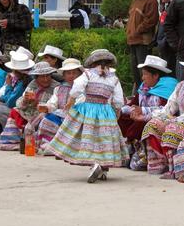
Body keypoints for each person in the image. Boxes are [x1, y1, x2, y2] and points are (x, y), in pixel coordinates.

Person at [46, 49, 128, 183]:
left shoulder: (88, 74)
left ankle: (95, 164)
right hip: (105, 111)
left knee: (88, 138)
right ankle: (102, 168)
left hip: (87, 108)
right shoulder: (114, 79)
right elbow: (118, 100)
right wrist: (116, 111)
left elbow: (77, 89)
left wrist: (70, 102)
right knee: (104, 139)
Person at [141, 53, 184, 176]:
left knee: (172, 130)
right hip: (177, 120)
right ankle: (158, 163)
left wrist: (169, 121)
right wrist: (152, 116)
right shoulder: (181, 85)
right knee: (152, 125)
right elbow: (169, 107)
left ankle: (173, 168)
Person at [118, 55, 178, 170]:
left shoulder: (167, 89)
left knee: (140, 123)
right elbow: (133, 103)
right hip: (141, 116)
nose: (142, 77)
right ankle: (126, 148)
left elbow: (166, 109)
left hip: (159, 118)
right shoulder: (144, 88)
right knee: (122, 117)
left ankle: (137, 152)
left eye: (145, 74)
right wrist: (121, 110)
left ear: (155, 76)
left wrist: (143, 111)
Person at [0, 62, 59, 151]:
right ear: (36, 77)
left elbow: (54, 105)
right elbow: (19, 102)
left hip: (45, 114)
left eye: (48, 76)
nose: (45, 79)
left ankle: (36, 141)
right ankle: (14, 141)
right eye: (42, 76)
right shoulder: (32, 84)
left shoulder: (56, 87)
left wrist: (38, 104)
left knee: (43, 117)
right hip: (31, 113)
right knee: (15, 111)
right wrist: (25, 101)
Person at [37, 58, 83, 153]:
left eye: (74, 73)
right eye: (68, 73)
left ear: (80, 74)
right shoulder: (59, 89)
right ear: (64, 75)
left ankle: (68, 147)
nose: (71, 76)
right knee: (47, 119)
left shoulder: (84, 89)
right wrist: (47, 107)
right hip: (61, 115)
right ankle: (47, 143)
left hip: (76, 117)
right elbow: (53, 102)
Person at [126, 0, 159, 91]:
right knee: (135, 71)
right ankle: (138, 94)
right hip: (133, 41)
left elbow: (151, 20)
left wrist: (137, 30)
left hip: (143, 42)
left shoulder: (151, 1)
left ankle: (145, 93)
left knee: (143, 71)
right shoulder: (135, 1)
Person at [155, 0, 178, 75]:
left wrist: (165, 42)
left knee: (169, 71)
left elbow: (172, 27)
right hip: (163, 46)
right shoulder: (167, 7)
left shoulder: (174, 7)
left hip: (169, 47)